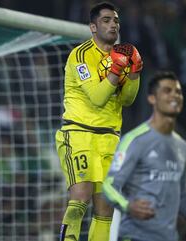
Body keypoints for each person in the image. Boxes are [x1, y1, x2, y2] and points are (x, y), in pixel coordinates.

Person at [102, 71, 186, 241]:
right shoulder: (135, 140)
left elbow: (182, 196)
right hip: (135, 237)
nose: (175, 95)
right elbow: (109, 186)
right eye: (167, 91)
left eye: (178, 91)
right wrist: (128, 205)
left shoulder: (181, 146)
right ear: (152, 98)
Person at [55, 2, 142, 241]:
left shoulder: (121, 56)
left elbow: (127, 99)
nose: (113, 24)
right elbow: (96, 97)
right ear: (93, 27)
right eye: (106, 20)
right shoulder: (80, 55)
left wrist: (133, 75)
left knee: (105, 208)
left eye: (115, 20)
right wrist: (117, 69)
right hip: (79, 132)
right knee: (80, 197)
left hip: (109, 138)